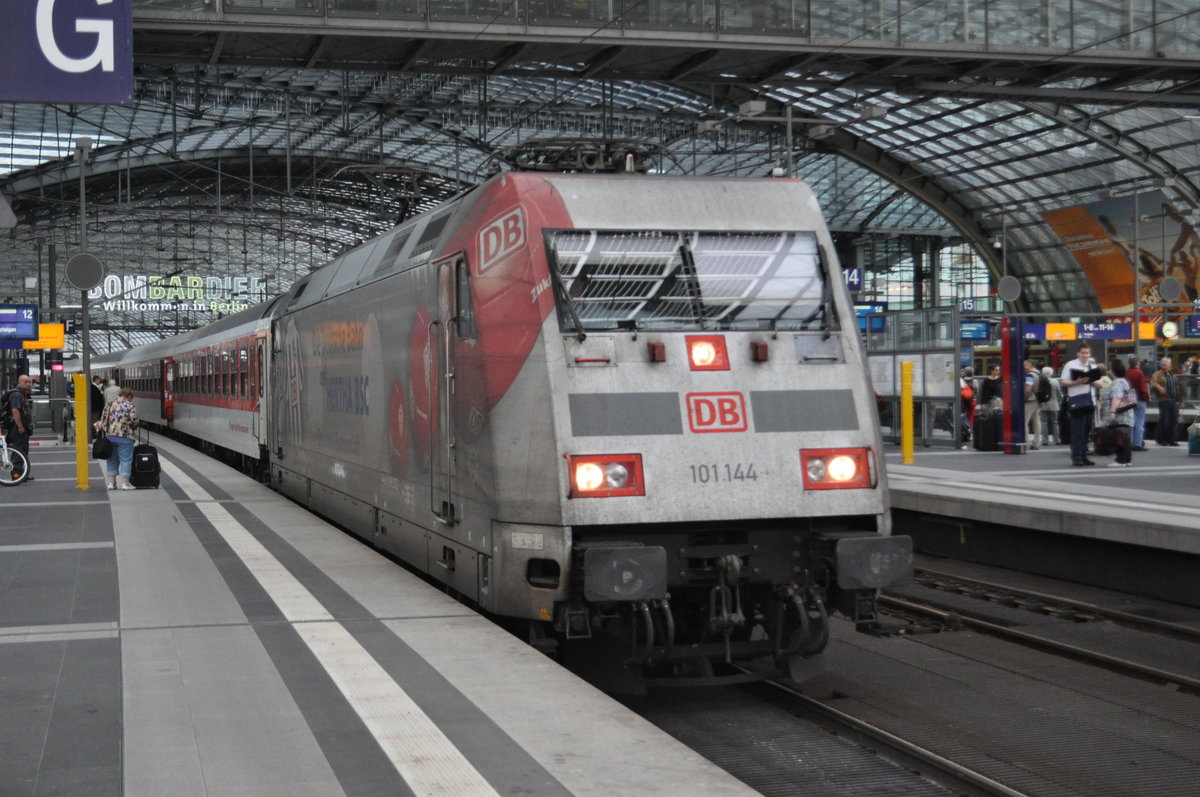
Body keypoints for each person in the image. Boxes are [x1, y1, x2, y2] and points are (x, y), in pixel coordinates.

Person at [1061, 343, 1098, 466]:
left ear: (1090, 354)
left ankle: (1083, 455)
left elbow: (1100, 384)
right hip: (1077, 401)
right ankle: (1076, 456)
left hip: (1090, 401)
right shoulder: (1070, 365)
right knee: (1077, 430)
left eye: (1087, 353)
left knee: (1086, 431)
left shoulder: (1093, 366)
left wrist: (1091, 380)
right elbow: (1063, 382)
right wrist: (1077, 381)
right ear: (1078, 353)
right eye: (1082, 353)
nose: (1085, 355)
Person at [96, 387, 139, 490]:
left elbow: (103, 420)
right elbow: (134, 421)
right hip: (125, 437)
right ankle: (125, 484)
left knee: (111, 460)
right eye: (131, 398)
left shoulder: (109, 405)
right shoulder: (130, 405)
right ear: (128, 396)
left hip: (110, 437)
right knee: (126, 460)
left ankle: (111, 483)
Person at [1100, 359, 1137, 467]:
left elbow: (1117, 397)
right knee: (1125, 437)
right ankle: (1127, 459)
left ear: (1113, 371)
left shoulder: (1117, 383)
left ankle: (1120, 459)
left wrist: (1112, 411)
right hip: (1126, 414)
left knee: (1118, 437)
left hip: (1119, 415)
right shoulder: (1124, 381)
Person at [4, 374, 34, 482]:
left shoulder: (22, 394)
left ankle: (22, 474)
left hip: (21, 427)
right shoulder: (17, 394)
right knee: (18, 451)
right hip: (16, 427)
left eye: (29, 382)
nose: (28, 384)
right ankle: (16, 475)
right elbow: (15, 411)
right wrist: (20, 426)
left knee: (23, 451)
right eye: (26, 382)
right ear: (19, 382)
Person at [1151, 356, 1181, 446]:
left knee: (1174, 420)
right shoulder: (1157, 374)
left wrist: (1180, 400)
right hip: (1163, 400)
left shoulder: (1173, 375)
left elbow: (1177, 388)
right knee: (1165, 420)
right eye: (1162, 364)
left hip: (1173, 400)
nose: (1163, 366)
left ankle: (1172, 440)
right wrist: (1159, 387)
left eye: (1165, 364)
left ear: (1169, 365)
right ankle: (1162, 439)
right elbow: (1153, 383)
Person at [1125, 355, 1149, 451]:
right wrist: (1145, 398)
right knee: (1139, 422)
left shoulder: (1126, 373)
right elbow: (1143, 388)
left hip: (1130, 400)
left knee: (1131, 421)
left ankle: (1130, 442)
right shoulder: (1139, 373)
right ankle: (1138, 443)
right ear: (1137, 363)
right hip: (1139, 399)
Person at [1040, 366, 1062, 446]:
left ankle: (1045, 440)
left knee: (1043, 422)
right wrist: (1059, 402)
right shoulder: (1055, 382)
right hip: (1054, 404)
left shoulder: (1040, 382)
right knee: (1055, 422)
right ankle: (1056, 439)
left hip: (1043, 404)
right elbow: (1059, 394)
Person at [1023, 359, 1041, 449]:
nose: (1024, 367)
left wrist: (1024, 398)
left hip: (1030, 400)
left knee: (1024, 421)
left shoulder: (1030, 375)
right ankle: (1036, 443)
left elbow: (1028, 389)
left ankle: (1026, 443)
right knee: (1036, 422)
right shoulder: (1039, 373)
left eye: (1025, 365)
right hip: (1038, 400)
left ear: (1031, 365)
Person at [89, 375, 105, 440]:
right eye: (99, 380)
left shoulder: (94, 387)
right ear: (97, 380)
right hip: (96, 408)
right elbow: (96, 399)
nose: (100, 381)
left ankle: (96, 433)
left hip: (95, 408)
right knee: (95, 421)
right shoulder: (94, 388)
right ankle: (96, 433)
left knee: (95, 420)